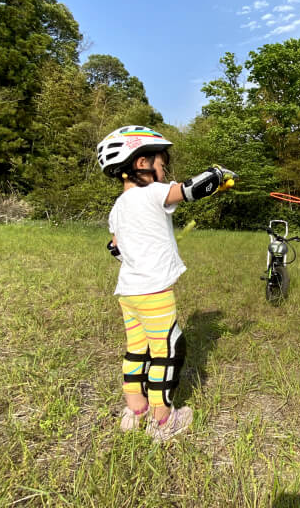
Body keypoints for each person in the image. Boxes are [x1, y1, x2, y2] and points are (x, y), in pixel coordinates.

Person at [97, 125, 237, 441]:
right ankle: (162, 421)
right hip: (153, 292)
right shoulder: (154, 192)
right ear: (141, 163)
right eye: (161, 162)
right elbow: (187, 190)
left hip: (128, 293)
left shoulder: (117, 208)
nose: (165, 169)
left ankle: (135, 411)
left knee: (137, 350)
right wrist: (218, 177)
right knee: (167, 351)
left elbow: (115, 248)